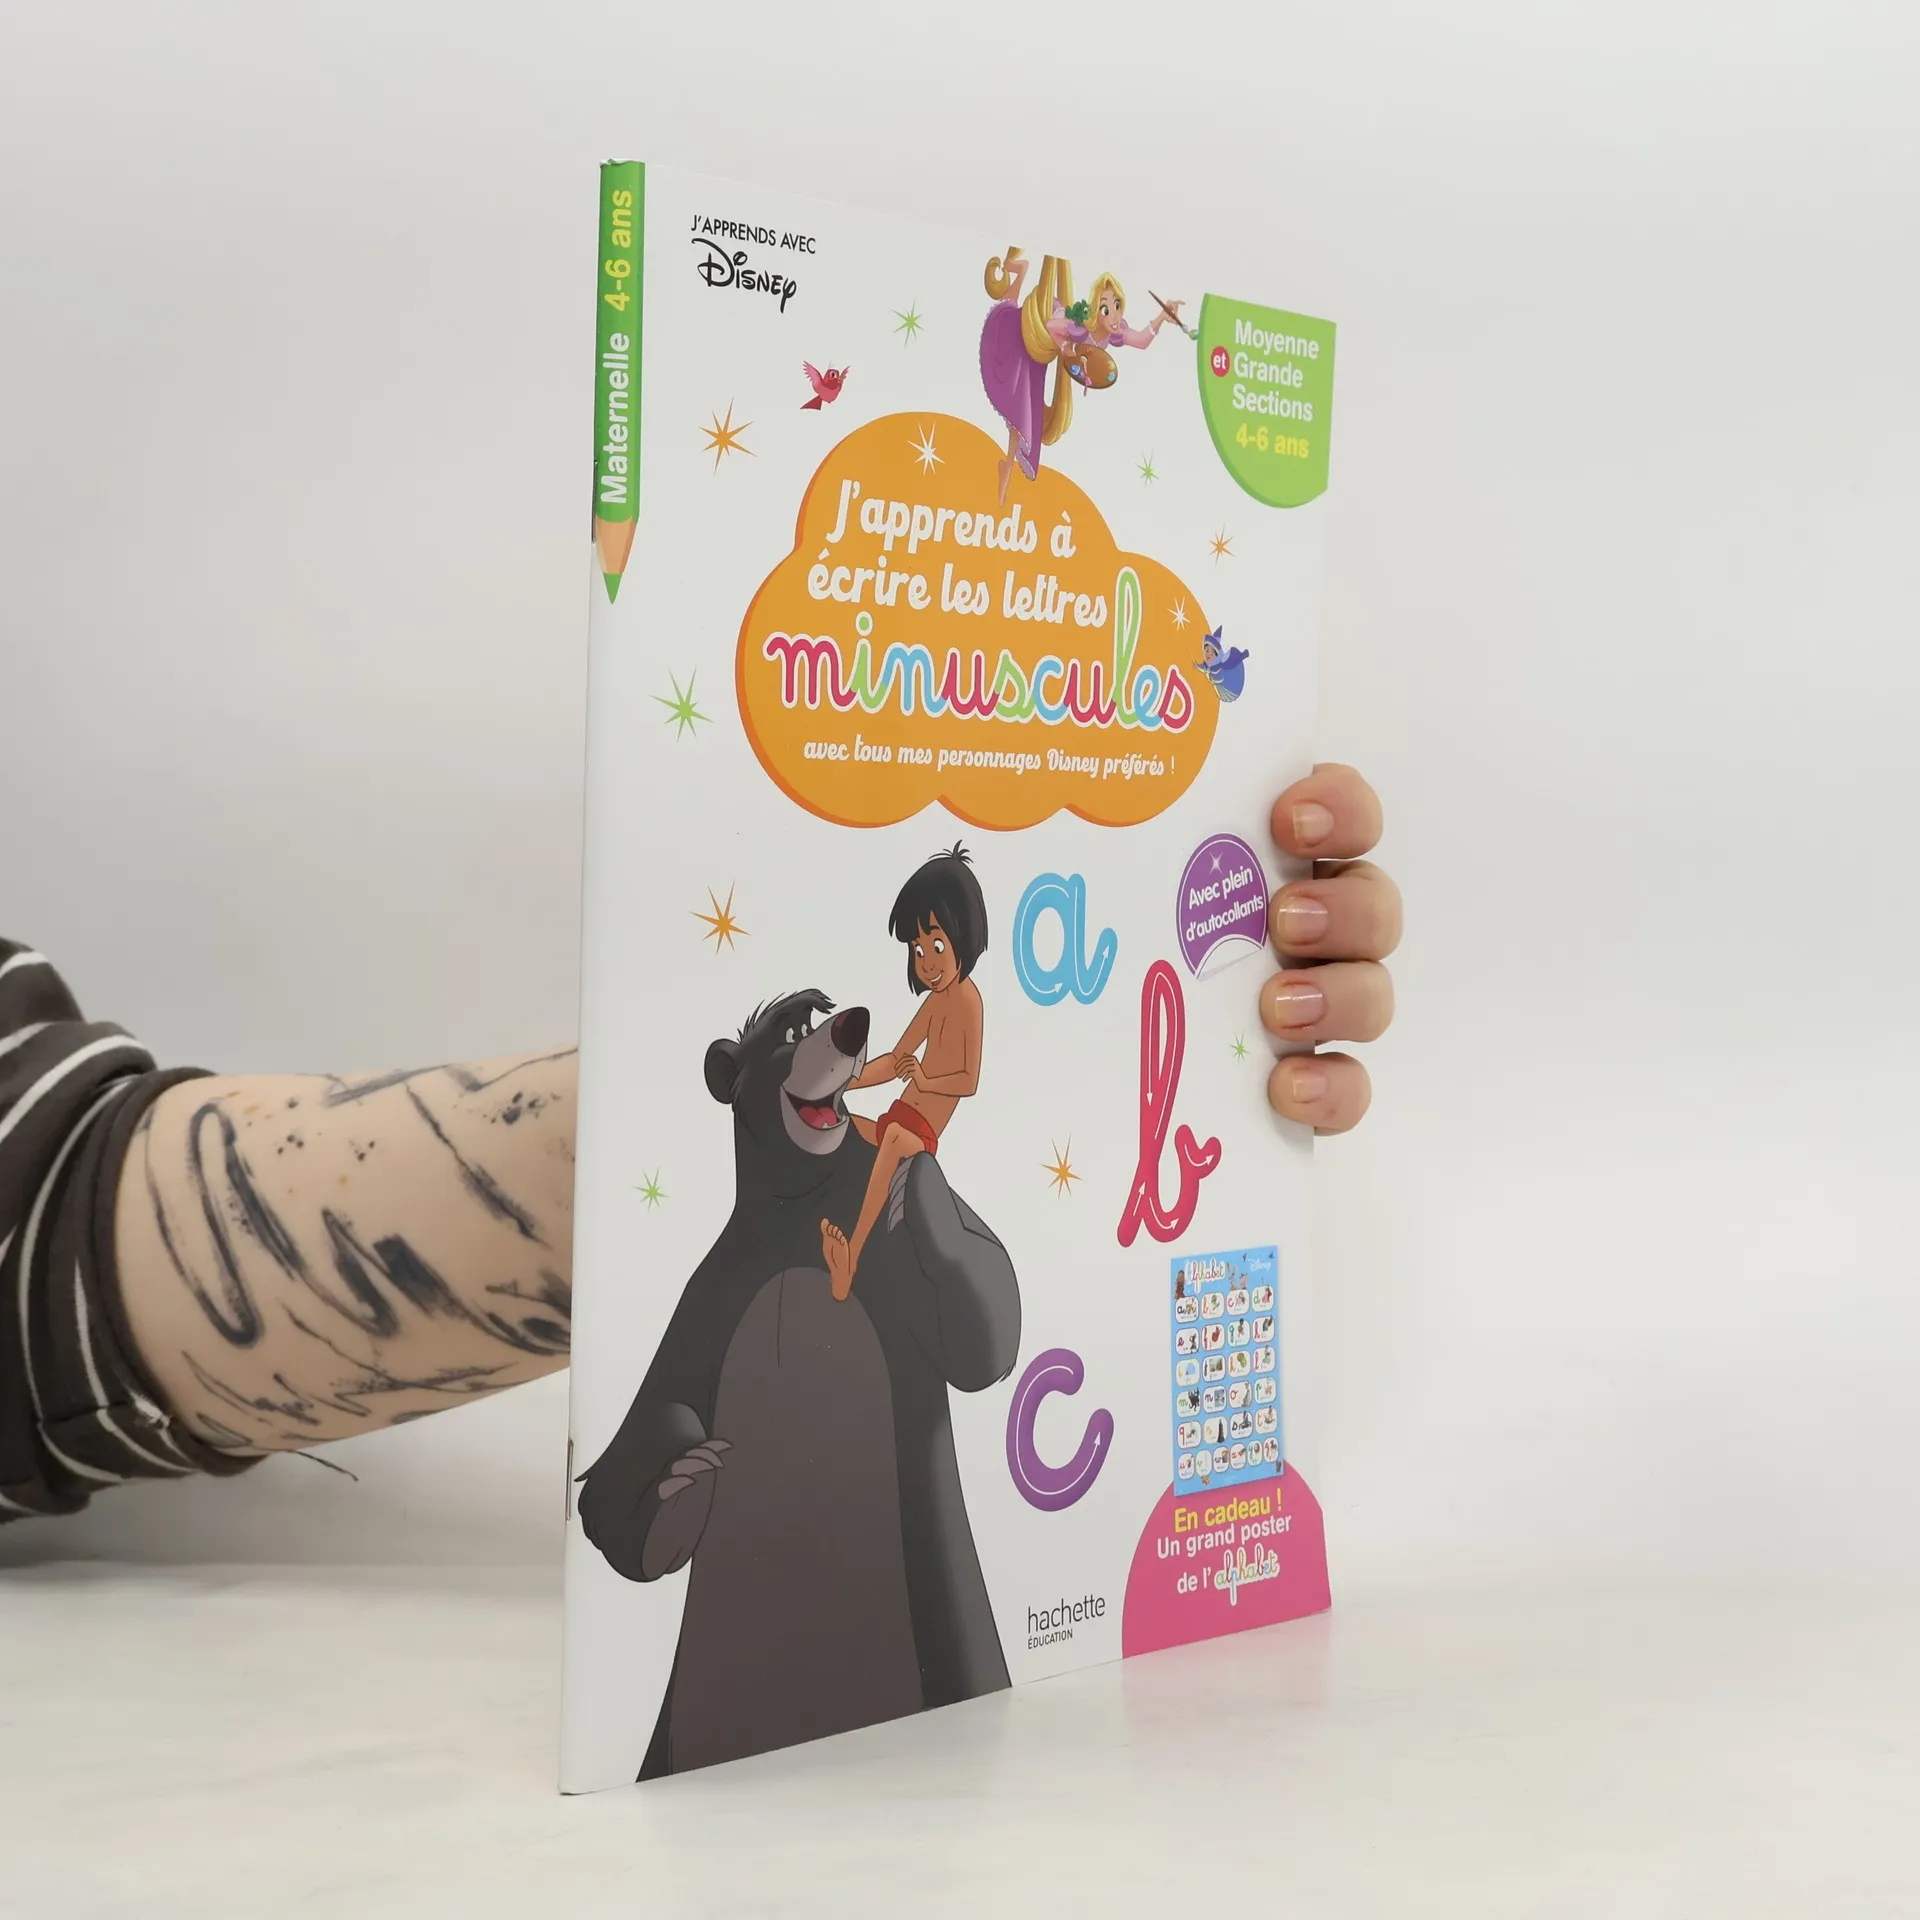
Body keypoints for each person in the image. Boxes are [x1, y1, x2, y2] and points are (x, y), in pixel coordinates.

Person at [0, 764, 1398, 1522]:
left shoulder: (911, 1146)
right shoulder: (740, 1249)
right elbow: (49, 1238)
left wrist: (1135, 1062)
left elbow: (985, 1345)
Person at [822, 844, 989, 1301]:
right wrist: (846, 1081)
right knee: (838, 1125)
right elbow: (895, 1059)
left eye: (936, 946)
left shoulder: (969, 1003)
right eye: (918, 950)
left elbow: (970, 1080)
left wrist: (927, 1081)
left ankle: (852, 1259)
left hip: (920, 1135)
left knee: (894, 1140)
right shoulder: (934, 1003)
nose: (927, 962)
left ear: (964, 937)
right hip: (896, 1117)